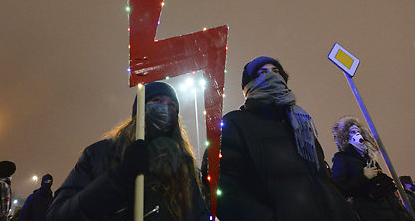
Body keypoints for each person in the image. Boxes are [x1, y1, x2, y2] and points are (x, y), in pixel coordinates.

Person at [216, 56, 359, 221]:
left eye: (276, 72)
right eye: (262, 73)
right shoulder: (235, 123)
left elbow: (324, 179)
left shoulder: (301, 123)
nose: (272, 76)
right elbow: (225, 190)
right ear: (248, 86)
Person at [46, 81, 209, 221]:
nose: (165, 108)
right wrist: (119, 178)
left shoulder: (183, 166)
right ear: (140, 109)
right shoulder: (100, 154)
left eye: (172, 105)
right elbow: (59, 215)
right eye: (157, 100)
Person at [331, 116, 411, 220]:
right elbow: (340, 188)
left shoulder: (369, 157)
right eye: (353, 132)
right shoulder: (342, 158)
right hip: (373, 213)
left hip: (392, 209)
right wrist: (363, 176)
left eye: (358, 131)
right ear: (345, 136)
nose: (357, 134)